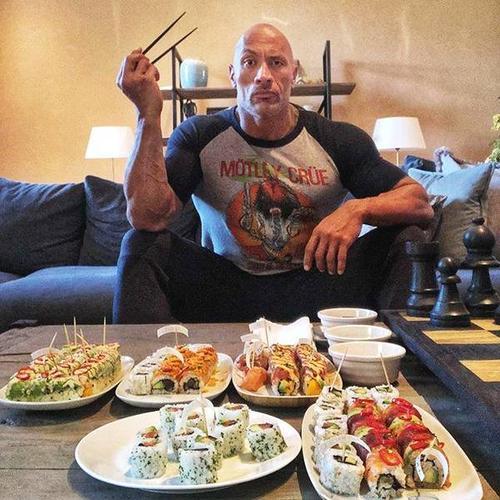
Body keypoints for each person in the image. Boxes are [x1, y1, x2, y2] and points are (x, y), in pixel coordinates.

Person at [113, 23, 434, 324]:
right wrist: (147, 114)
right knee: (140, 244)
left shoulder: (337, 138)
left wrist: (357, 210)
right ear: (233, 74)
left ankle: (401, 358)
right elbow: (147, 218)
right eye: (249, 62)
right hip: (227, 288)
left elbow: (419, 203)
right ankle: (145, 364)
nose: (263, 76)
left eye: (277, 63)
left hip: (314, 285)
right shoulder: (199, 135)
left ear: (293, 73)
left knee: (408, 239)